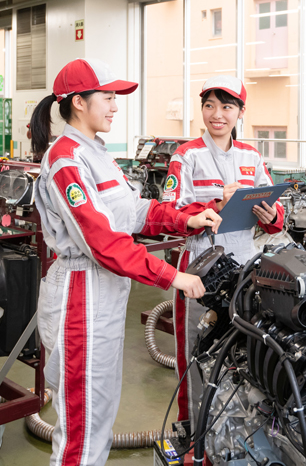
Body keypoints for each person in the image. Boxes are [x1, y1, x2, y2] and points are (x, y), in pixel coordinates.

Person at [31, 58, 222, 466]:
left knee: (99, 413)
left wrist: (185, 217)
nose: (115, 106)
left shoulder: (97, 153)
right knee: (82, 425)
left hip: (105, 292)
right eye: (108, 97)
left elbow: (133, 212)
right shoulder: (67, 160)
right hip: (82, 294)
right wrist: (173, 275)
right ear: (78, 102)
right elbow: (101, 241)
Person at [162, 75, 284, 427]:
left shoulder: (251, 155)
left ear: (240, 112)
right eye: (209, 106)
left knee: (247, 352)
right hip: (201, 265)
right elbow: (168, 215)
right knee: (197, 353)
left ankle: (239, 432)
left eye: (227, 107)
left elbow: (274, 214)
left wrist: (272, 214)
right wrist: (215, 205)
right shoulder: (186, 156)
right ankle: (195, 432)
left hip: (247, 265)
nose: (217, 114)